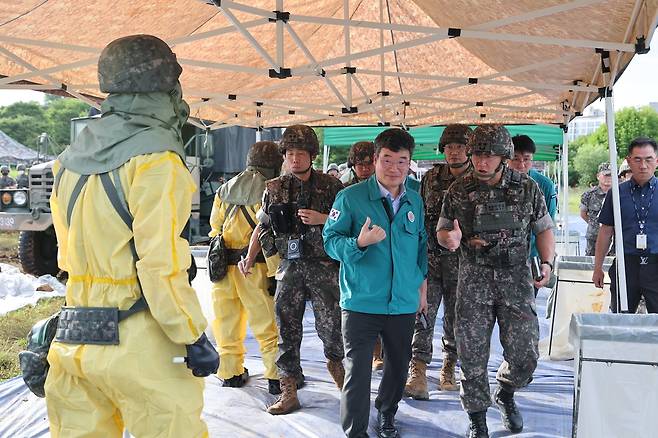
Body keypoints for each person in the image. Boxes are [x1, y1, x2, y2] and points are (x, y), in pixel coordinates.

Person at [46, 35, 218, 437]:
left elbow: (66, 255)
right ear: (166, 86)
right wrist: (191, 334)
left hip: (74, 337)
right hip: (139, 336)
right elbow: (159, 265)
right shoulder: (158, 159)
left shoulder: (68, 161)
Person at [437, 124, 554, 438]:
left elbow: (544, 229)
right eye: (476, 154)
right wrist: (450, 239)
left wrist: (546, 263)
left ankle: (505, 390)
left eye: (488, 155)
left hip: (516, 280)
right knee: (471, 354)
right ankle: (477, 415)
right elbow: (443, 231)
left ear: (504, 157)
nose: (481, 162)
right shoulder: (458, 190)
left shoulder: (528, 188)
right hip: (474, 280)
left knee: (526, 356)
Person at [324, 128, 428, 438]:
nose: (394, 168)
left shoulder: (415, 200)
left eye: (402, 161)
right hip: (361, 301)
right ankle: (356, 431)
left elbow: (421, 247)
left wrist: (420, 290)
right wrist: (358, 243)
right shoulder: (350, 198)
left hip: (403, 303)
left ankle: (386, 414)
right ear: (374, 159)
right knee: (358, 371)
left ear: (410, 163)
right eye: (387, 160)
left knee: (398, 366)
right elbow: (330, 241)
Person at [247, 124, 345, 415]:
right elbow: (262, 226)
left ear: (312, 155)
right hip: (290, 268)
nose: (295, 159)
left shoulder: (332, 186)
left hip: (325, 267)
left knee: (332, 327)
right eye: (290, 153)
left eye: (301, 153)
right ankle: (288, 388)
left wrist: (322, 218)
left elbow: (347, 224)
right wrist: (253, 257)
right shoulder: (274, 188)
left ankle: (338, 371)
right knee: (286, 327)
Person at [209, 141, 283, 394]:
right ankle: (275, 378)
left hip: (223, 270)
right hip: (256, 268)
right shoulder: (271, 189)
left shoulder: (225, 189)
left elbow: (215, 228)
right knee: (268, 327)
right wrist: (276, 273)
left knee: (226, 324)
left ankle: (230, 373)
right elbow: (269, 234)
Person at [405, 124, 472, 401]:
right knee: (422, 314)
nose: (454, 152)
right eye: (449, 147)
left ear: (469, 150)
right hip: (431, 259)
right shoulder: (431, 178)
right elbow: (419, 216)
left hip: (463, 261)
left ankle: (449, 366)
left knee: (457, 317)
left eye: (459, 147)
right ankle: (418, 370)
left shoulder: (477, 179)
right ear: (442, 150)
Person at [593, 136, 658, 313]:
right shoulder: (617, 193)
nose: (643, 165)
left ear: (657, 161)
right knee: (622, 319)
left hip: (655, 264)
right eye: (637, 159)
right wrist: (598, 268)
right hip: (626, 265)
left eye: (648, 159)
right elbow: (606, 231)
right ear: (629, 161)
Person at [509, 134, 557, 295]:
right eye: (515, 159)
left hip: (531, 258)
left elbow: (547, 227)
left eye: (526, 159)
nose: (521, 165)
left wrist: (546, 262)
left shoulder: (544, 185)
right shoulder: (496, 183)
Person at [580, 163, 613, 256]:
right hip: (594, 238)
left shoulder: (620, 194)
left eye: (611, 175)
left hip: (615, 238)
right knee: (592, 265)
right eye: (606, 175)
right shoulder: (589, 194)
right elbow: (583, 214)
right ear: (598, 176)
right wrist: (594, 225)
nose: (609, 178)